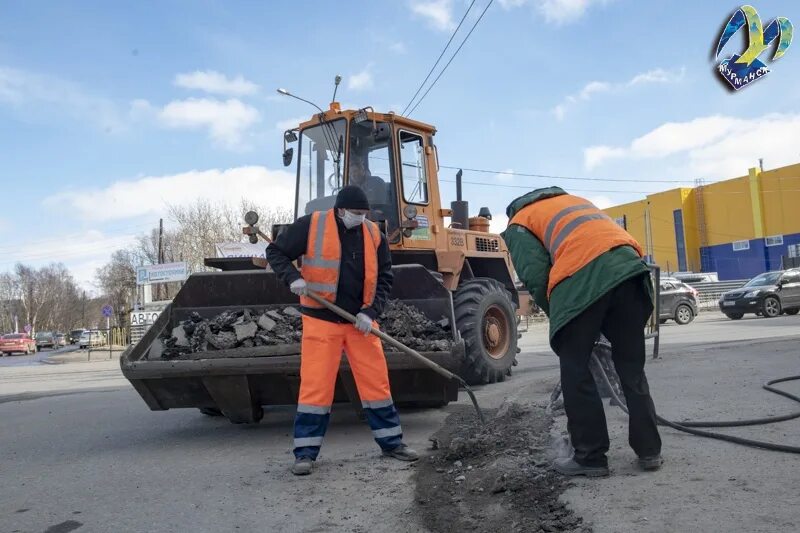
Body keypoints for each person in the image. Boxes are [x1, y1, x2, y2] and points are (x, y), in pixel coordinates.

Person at [501, 186, 662, 477]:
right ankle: (650, 450)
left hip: (582, 275)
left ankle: (590, 457)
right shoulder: (575, 202)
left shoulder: (519, 222)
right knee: (631, 368)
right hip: (632, 273)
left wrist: (563, 319)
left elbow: (536, 276)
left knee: (575, 369)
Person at [266, 185, 418, 476]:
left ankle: (392, 444)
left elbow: (385, 277)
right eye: (356, 213)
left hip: (360, 323)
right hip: (321, 320)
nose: (360, 218)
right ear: (340, 210)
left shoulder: (374, 234)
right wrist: (292, 278)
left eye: (364, 214)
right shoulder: (311, 225)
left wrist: (370, 312)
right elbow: (275, 252)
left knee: (377, 386)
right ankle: (305, 454)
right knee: (315, 388)